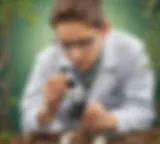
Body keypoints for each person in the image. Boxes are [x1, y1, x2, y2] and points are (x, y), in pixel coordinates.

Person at [20, 0, 155, 134]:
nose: (75, 55)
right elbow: (27, 120)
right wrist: (47, 110)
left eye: (84, 42)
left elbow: (144, 111)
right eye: (66, 45)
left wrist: (111, 120)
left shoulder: (132, 51)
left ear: (104, 30)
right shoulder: (47, 60)